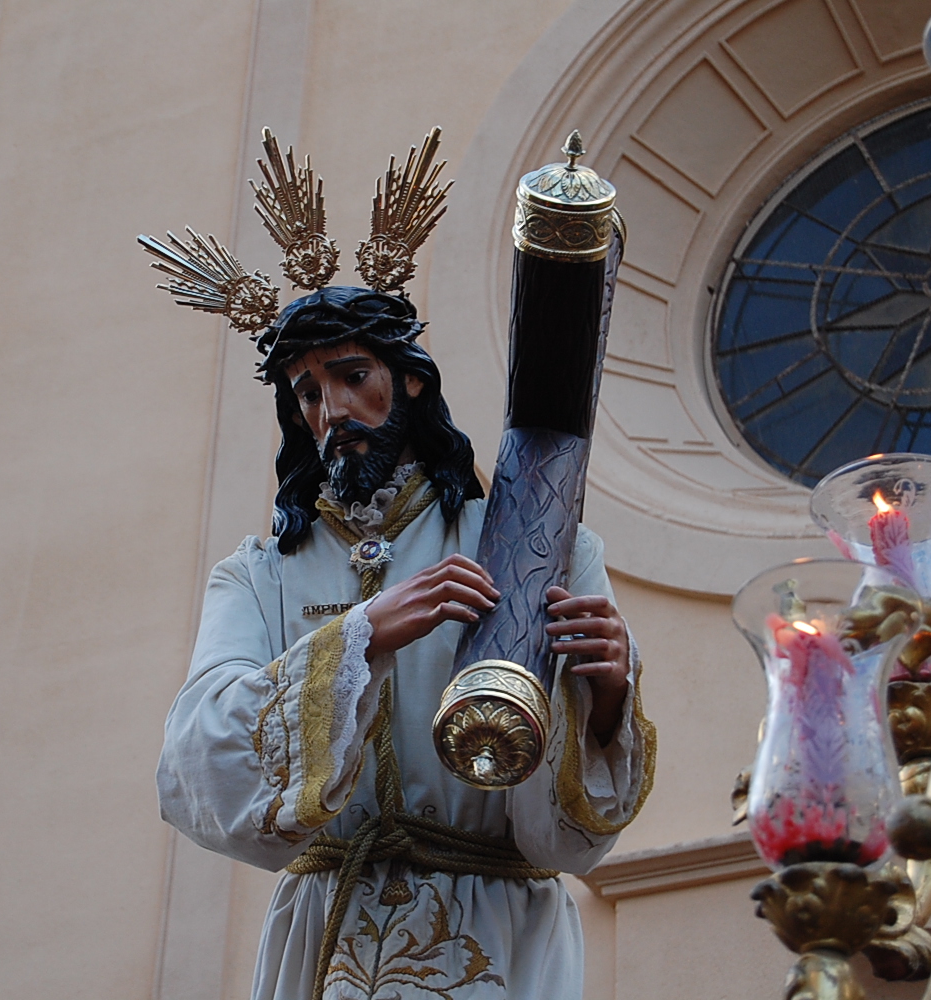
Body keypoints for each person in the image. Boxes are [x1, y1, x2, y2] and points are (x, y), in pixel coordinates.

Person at [156, 287, 654, 1000]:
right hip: (326, 932)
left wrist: (607, 697)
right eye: (308, 393)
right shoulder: (259, 575)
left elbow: (568, 841)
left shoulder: (531, 546)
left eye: (353, 377)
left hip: (494, 935)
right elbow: (195, 761)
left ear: (410, 379)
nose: (332, 412)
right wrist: (361, 635)